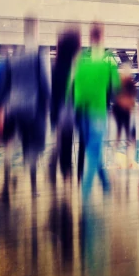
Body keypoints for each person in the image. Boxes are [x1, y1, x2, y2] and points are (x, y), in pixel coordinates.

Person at [0, 16, 50, 194]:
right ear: (36, 31)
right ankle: (34, 186)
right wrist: (47, 109)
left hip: (13, 108)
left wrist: (4, 107)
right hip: (31, 109)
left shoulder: (14, 57)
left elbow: (6, 86)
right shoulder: (38, 56)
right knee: (32, 145)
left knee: (12, 141)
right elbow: (45, 85)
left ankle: (6, 173)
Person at [74, 22, 118, 196]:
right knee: (93, 148)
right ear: (102, 36)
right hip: (98, 109)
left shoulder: (82, 58)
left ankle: (105, 183)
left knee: (93, 147)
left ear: (90, 37)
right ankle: (85, 192)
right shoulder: (109, 59)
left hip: (82, 109)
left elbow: (75, 85)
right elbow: (116, 86)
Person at [48, 26, 82, 190]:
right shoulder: (76, 67)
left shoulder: (56, 66)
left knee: (63, 141)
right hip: (71, 109)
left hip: (60, 109)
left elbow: (53, 92)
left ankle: (62, 171)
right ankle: (67, 175)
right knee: (68, 143)